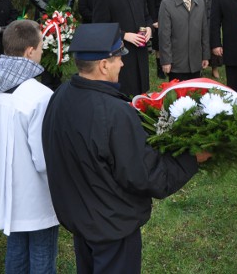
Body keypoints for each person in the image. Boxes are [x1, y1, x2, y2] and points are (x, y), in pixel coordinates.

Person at [41, 23, 208, 274]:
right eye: (118, 57)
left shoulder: (61, 94)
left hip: (80, 217)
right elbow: (145, 176)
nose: (122, 64)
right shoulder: (115, 113)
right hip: (112, 225)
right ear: (104, 64)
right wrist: (192, 159)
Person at [0, 20, 59, 273]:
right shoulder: (40, 96)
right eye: (41, 46)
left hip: (2, 187)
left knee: (17, 246)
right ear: (30, 51)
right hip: (35, 190)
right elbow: (43, 157)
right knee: (42, 250)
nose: (43, 51)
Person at [92, 0, 152, 96]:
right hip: (119, 52)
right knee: (124, 90)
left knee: (141, 89)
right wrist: (124, 35)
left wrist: (149, 28)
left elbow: (147, 16)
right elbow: (100, 26)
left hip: (140, 50)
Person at [159, 0, 209, 81]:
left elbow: (204, 31)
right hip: (177, 63)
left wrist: (205, 55)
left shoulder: (200, 2)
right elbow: (164, 35)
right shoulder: (167, 4)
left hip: (195, 61)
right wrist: (166, 60)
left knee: (195, 94)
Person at [147, 0, 177, 80]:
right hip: (159, 13)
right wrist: (154, 19)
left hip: (175, 12)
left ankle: (173, 65)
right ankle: (160, 68)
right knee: (159, 43)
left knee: (174, 39)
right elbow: (150, 0)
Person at [192, 0, 221, 79]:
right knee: (199, 41)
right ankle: (199, 67)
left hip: (213, 17)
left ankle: (215, 67)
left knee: (213, 40)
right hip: (198, 17)